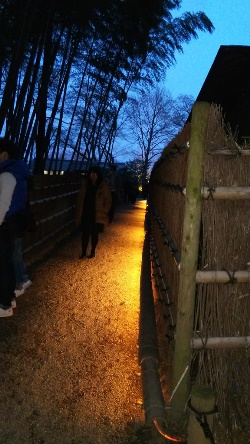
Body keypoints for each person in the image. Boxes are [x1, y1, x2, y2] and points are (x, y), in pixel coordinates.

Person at [0, 138, 32, 317]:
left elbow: (3, 204)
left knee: (4, 265)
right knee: (7, 262)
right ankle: (9, 299)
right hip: (12, 224)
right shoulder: (15, 172)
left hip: (5, 224)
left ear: (4, 154)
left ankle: (5, 305)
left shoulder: (7, 175)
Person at [76, 166, 112, 259]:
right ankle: (83, 252)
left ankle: (92, 251)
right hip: (86, 212)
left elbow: (108, 199)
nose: (93, 176)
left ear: (98, 175)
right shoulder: (85, 185)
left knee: (94, 233)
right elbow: (80, 198)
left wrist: (105, 210)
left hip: (97, 213)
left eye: (95, 174)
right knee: (85, 233)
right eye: (91, 173)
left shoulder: (103, 185)